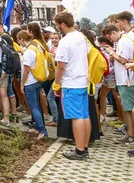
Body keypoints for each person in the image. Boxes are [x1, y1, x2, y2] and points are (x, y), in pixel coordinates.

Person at [52, 11, 91, 160]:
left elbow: (61, 66)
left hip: (71, 82)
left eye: (57, 25)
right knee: (84, 115)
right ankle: (84, 147)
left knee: (76, 117)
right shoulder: (81, 37)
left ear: (62, 24)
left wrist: (57, 83)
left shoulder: (65, 41)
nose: (57, 28)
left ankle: (79, 150)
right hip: (82, 80)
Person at [102, 22, 134, 144]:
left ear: (113, 32)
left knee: (130, 109)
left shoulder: (123, 41)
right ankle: (130, 134)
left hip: (126, 80)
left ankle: (132, 135)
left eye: (109, 37)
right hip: (124, 79)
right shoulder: (123, 40)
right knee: (127, 108)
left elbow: (123, 60)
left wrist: (112, 52)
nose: (110, 40)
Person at [17, 30, 48, 140]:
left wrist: (22, 83)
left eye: (18, 39)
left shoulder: (28, 52)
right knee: (37, 106)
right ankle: (38, 127)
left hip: (29, 82)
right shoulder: (35, 48)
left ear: (22, 39)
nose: (18, 42)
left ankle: (42, 130)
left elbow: (26, 69)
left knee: (33, 106)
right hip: (37, 80)